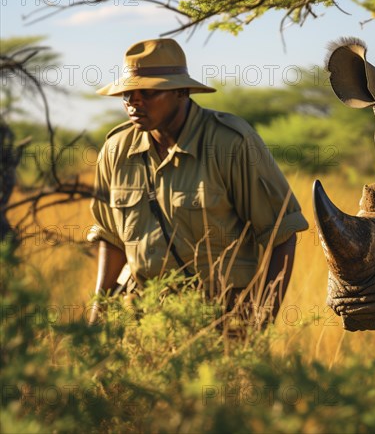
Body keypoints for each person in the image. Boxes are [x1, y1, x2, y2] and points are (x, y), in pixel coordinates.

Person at [88, 38, 308, 323]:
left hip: (219, 321)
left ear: (181, 91)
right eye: (127, 94)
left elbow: (282, 233)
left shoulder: (230, 143)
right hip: (141, 320)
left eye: (148, 92)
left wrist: (258, 323)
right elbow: (110, 237)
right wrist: (97, 316)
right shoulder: (116, 150)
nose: (134, 102)